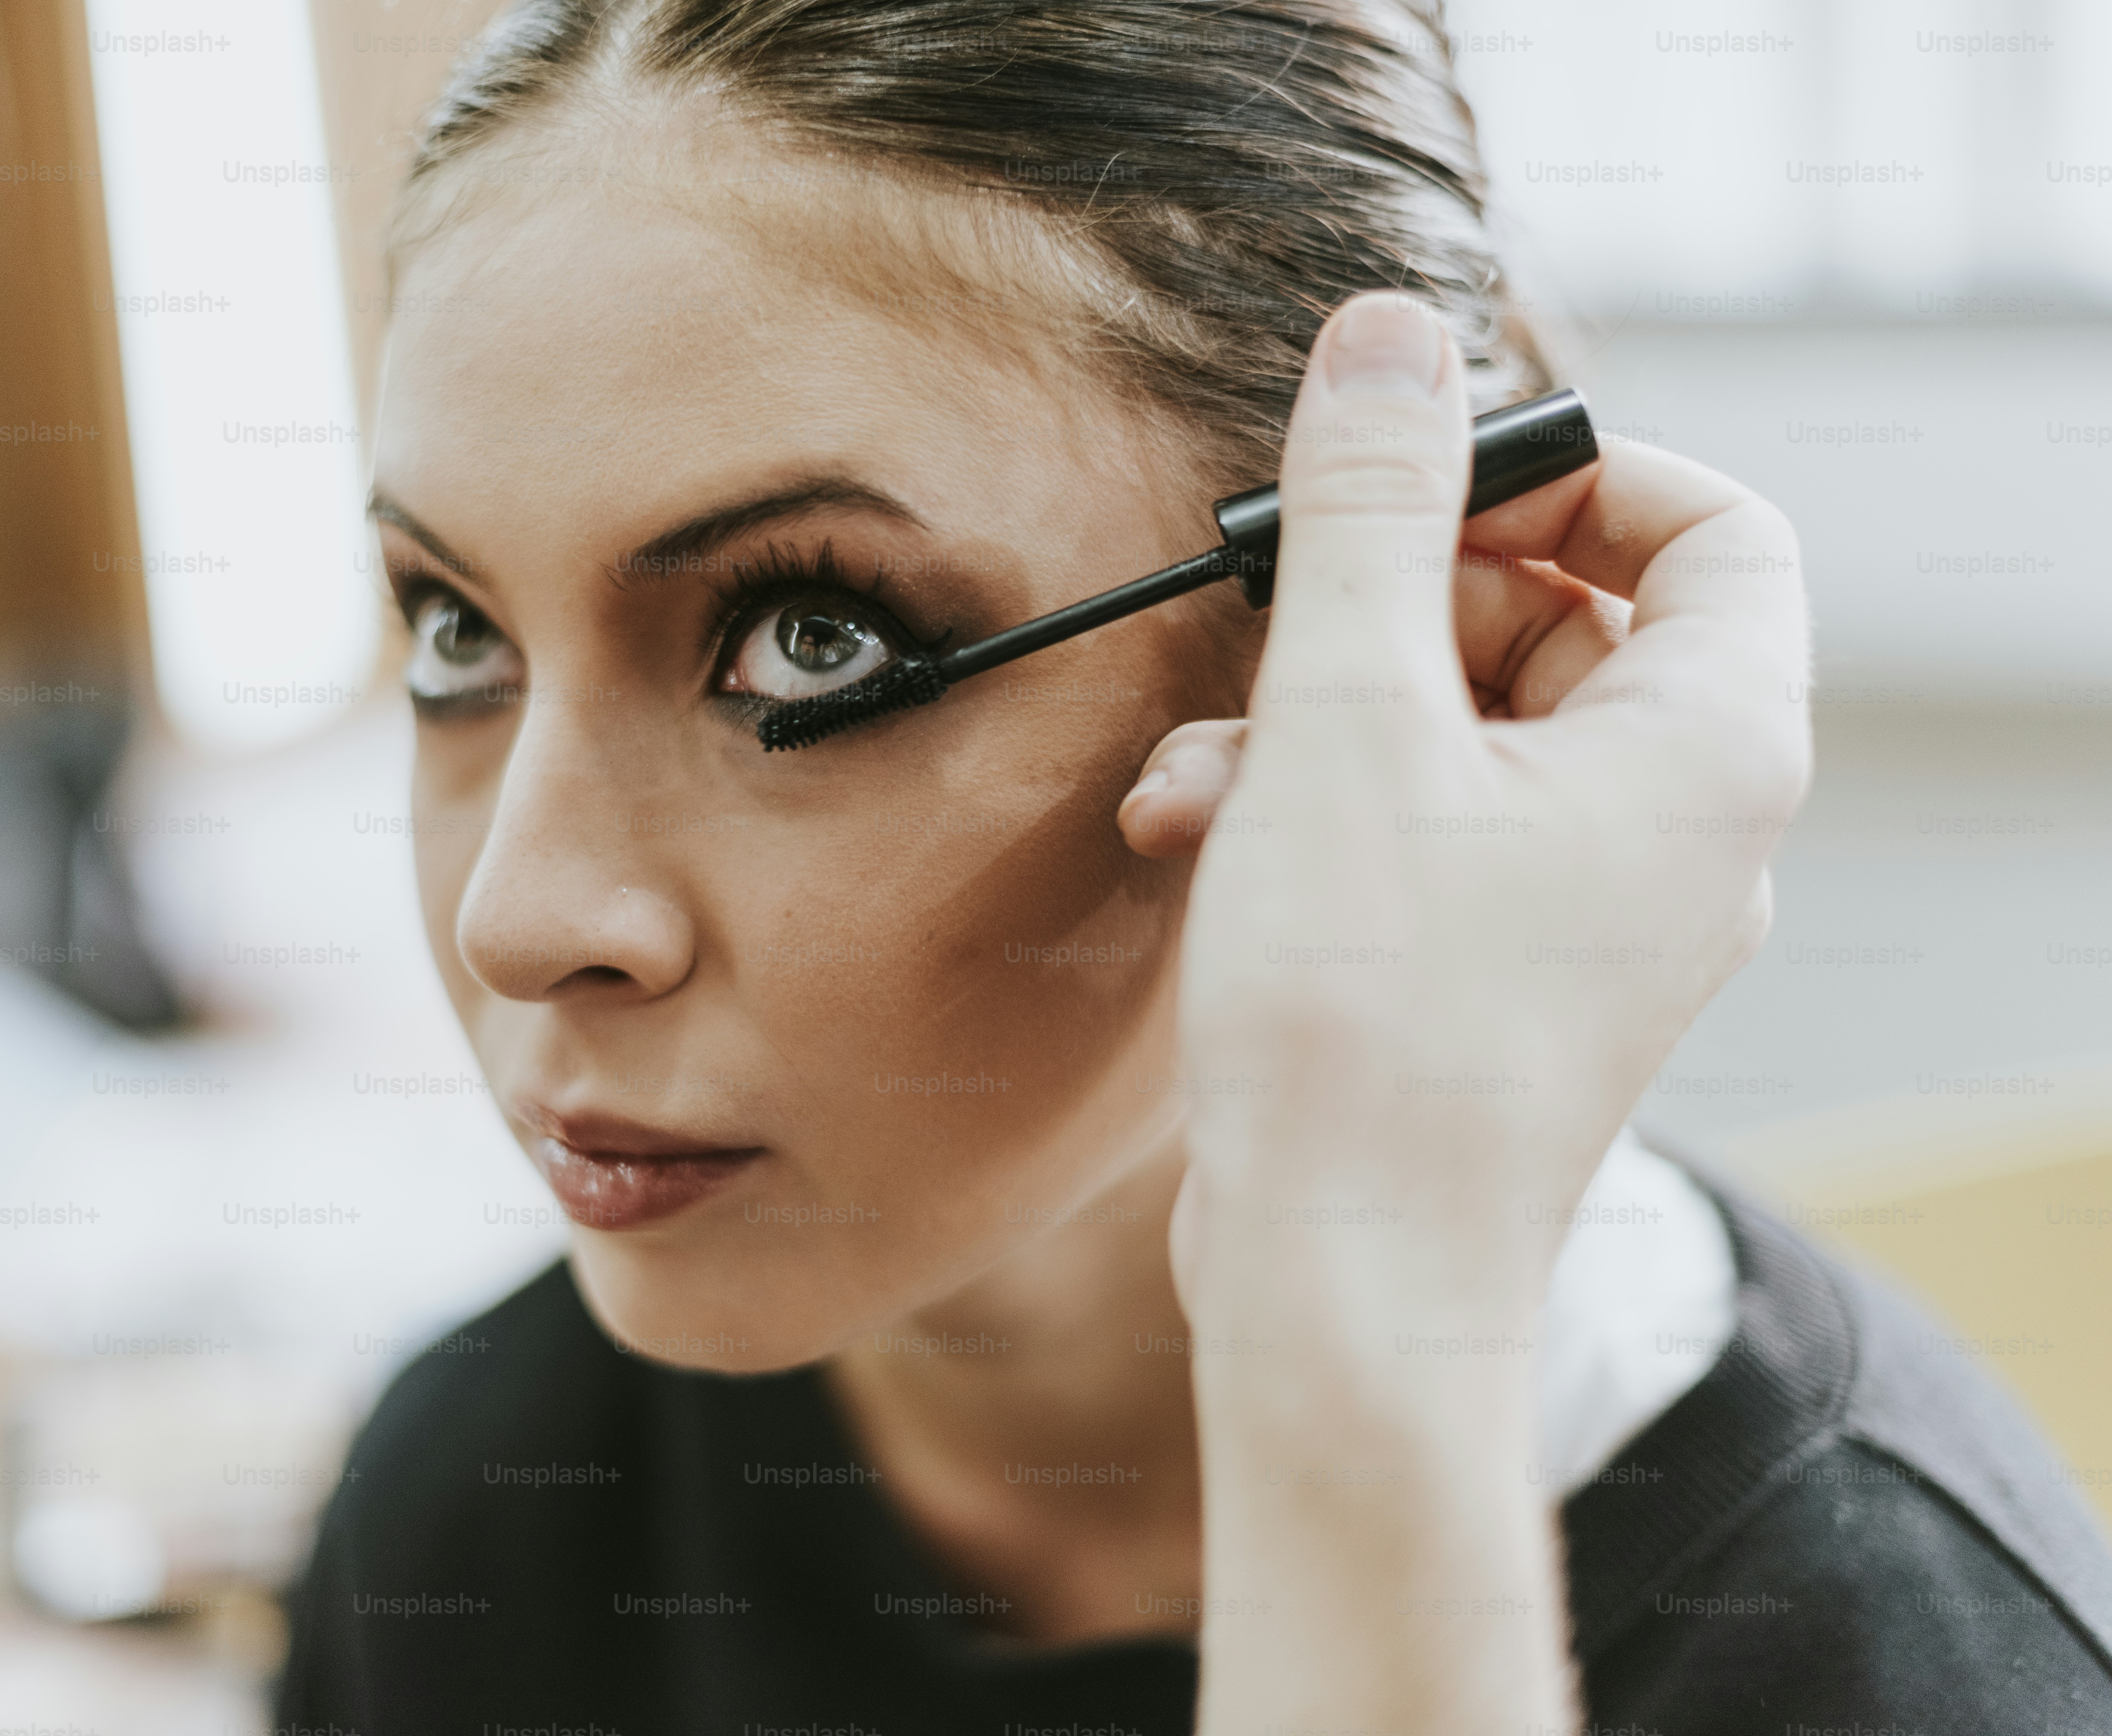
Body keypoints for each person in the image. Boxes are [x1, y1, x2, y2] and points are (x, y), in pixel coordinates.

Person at [278, 1, 2112, 1728]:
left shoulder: (1882, 1663)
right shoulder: (483, 1507)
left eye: (811, 640)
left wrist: (1367, 1342)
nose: (513, 916)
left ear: (1381, 621)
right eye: (454, 631)